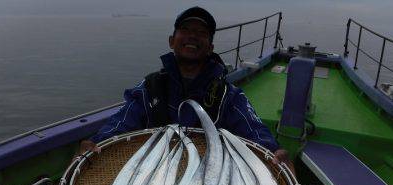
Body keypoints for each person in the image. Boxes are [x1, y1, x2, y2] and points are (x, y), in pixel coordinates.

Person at [78, 6, 291, 167]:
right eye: (186, 29)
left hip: (209, 175)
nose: (192, 36)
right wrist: (97, 142)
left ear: (210, 47)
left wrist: (274, 151)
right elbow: (123, 121)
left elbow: (253, 129)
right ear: (172, 41)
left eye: (201, 33)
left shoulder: (229, 95)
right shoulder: (151, 87)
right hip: (155, 170)